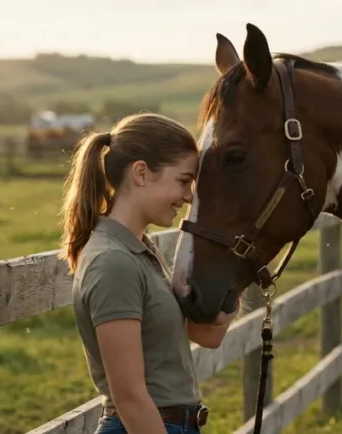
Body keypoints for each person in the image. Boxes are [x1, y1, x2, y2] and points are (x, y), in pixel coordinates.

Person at [59, 113, 235, 434]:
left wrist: (238, 266)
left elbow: (207, 334)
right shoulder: (113, 261)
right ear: (141, 173)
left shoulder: (141, 249)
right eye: (183, 180)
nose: (189, 196)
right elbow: (129, 396)